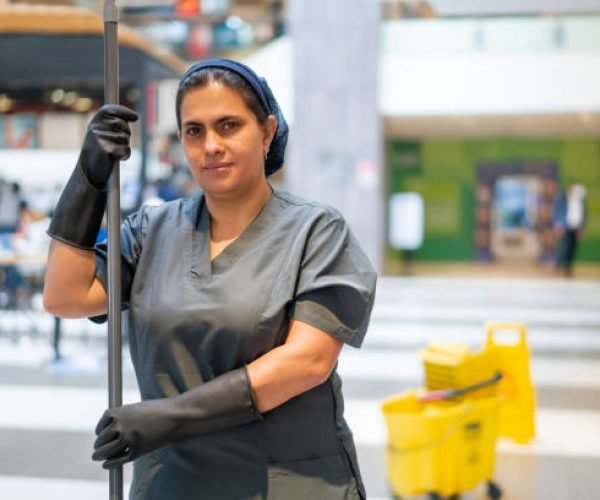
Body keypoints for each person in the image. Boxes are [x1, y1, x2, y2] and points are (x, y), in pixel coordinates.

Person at [43, 59, 377, 500]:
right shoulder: (149, 232)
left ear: (267, 131)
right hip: (173, 484)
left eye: (229, 125)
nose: (211, 145)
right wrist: (88, 178)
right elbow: (65, 296)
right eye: (194, 131)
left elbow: (307, 363)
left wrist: (167, 417)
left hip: (285, 484)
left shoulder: (317, 231)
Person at [554, 179, 587, 277]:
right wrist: (558, 224)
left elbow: (584, 214)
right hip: (566, 226)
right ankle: (560, 265)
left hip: (576, 226)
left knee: (573, 248)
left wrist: (582, 227)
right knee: (566, 247)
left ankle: (568, 267)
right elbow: (557, 211)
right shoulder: (563, 197)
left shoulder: (581, 200)